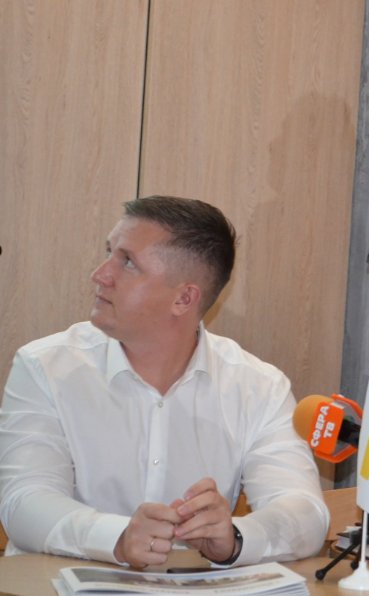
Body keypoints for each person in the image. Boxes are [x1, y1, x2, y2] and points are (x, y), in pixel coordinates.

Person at [0, 196, 328, 568]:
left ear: (184, 298)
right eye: (109, 253)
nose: (100, 274)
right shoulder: (45, 367)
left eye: (127, 262)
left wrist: (236, 538)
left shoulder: (260, 388)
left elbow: (305, 513)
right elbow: (24, 501)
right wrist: (116, 538)